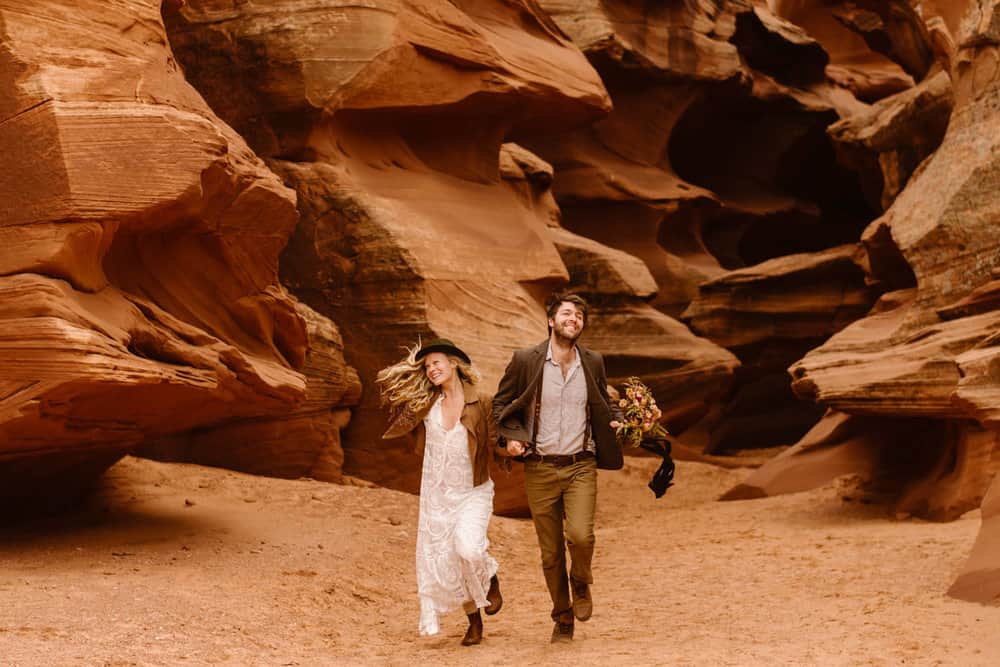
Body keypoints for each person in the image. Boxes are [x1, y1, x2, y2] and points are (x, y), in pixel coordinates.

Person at [493, 291, 623, 643]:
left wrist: (621, 421)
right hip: (539, 467)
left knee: (581, 536)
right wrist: (510, 438)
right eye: (567, 313)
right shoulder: (526, 360)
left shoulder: (593, 361)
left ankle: (581, 579)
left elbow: (605, 405)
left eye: (579, 316)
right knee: (550, 554)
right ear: (551, 321)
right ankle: (562, 616)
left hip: (581, 464)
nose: (574, 319)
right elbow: (502, 404)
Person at [378, 338, 503, 646]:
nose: (432, 369)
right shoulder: (425, 405)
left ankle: (490, 574)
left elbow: (496, 441)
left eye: (437, 362)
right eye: (427, 366)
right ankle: (473, 620)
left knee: (469, 549)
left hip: (473, 490)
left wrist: (513, 448)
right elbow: (400, 427)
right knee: (448, 562)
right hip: (437, 496)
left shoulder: (482, 401)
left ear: (454, 364)